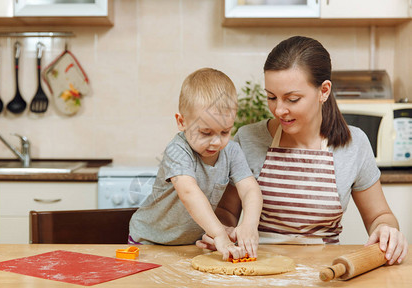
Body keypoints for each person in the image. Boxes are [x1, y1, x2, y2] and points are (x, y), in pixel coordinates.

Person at [196, 36, 408, 265]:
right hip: (256, 266)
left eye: (292, 99)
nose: (279, 110)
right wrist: (223, 230)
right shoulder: (248, 139)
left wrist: (387, 231)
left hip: (323, 272)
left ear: (324, 91)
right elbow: (227, 211)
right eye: (271, 97)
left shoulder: (354, 144)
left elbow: (379, 216)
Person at [129, 67, 263, 260]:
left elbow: (250, 189)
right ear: (182, 122)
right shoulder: (178, 150)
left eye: (225, 132)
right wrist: (219, 234)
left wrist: (249, 225)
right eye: (206, 133)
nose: (217, 142)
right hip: (148, 242)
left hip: (189, 245)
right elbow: (189, 192)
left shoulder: (232, 151)